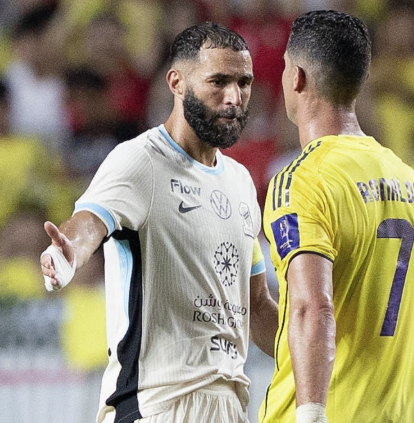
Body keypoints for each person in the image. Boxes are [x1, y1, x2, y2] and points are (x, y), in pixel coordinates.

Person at [40, 22, 278, 423]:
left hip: (229, 408)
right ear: (176, 83)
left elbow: (255, 306)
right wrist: (68, 252)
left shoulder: (240, 183)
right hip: (156, 406)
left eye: (244, 83)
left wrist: (318, 350)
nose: (234, 97)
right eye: (218, 81)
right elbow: (89, 223)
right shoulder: (141, 161)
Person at [259, 10, 414, 423]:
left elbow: (312, 307)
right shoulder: (406, 177)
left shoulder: (302, 179)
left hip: (337, 410)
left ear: (297, 77)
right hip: (409, 412)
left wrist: (311, 413)